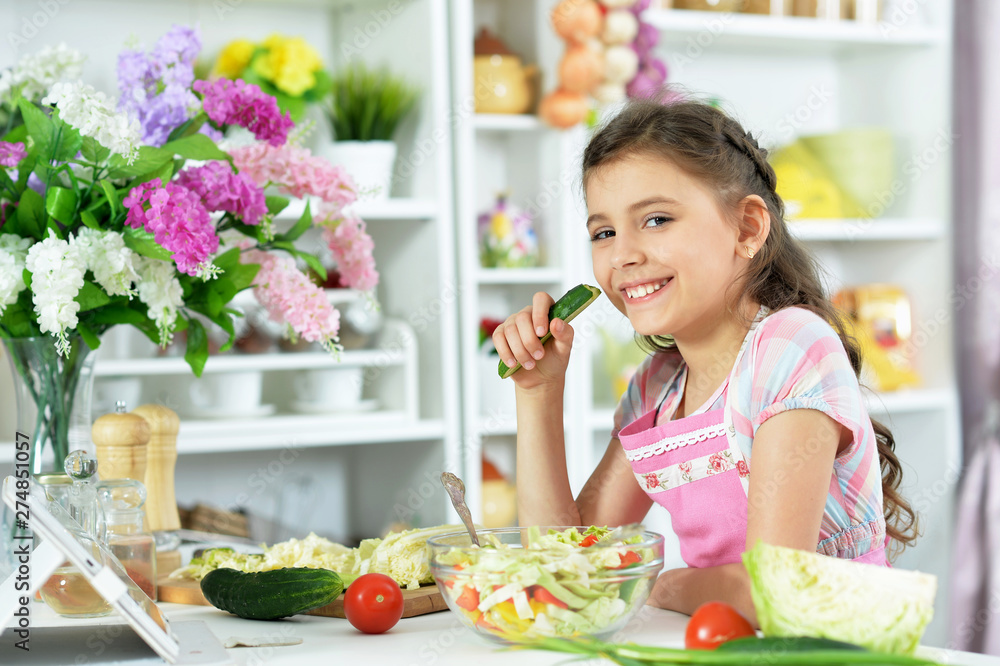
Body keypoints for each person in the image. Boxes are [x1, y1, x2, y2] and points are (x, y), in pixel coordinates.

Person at [492, 97, 918, 624]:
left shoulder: (791, 348)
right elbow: (566, 569)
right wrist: (537, 393)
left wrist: (662, 584)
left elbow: (774, 592)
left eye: (656, 219)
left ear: (746, 229)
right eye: (603, 232)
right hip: (721, 645)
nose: (623, 253)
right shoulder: (656, 388)